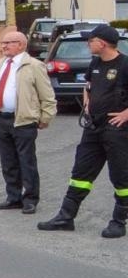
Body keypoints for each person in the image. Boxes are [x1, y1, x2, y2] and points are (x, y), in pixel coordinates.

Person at [38, 26, 128, 237]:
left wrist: (125, 114)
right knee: (80, 172)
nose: (88, 44)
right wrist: (87, 106)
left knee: (121, 177)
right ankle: (66, 217)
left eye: (91, 40)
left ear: (103, 43)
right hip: (93, 128)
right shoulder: (95, 63)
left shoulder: (125, 64)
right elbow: (87, 87)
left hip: (118, 130)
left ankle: (119, 221)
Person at [0, 27, 56, 214]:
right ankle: (13, 197)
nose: (3, 46)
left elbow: (47, 95)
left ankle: (30, 199)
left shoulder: (33, 65)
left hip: (24, 120)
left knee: (26, 161)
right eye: (2, 43)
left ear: (20, 45)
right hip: (2, 118)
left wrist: (46, 117)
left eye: (8, 43)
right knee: (8, 161)